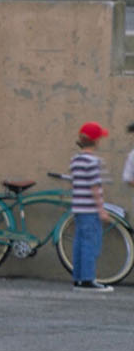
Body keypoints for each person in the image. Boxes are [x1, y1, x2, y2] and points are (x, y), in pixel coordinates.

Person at [68, 121, 114, 293]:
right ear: (96, 141)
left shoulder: (75, 160)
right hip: (90, 210)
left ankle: (78, 279)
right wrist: (101, 209)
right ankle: (88, 280)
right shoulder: (94, 161)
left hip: (78, 209)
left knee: (79, 243)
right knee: (91, 244)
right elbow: (95, 187)